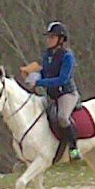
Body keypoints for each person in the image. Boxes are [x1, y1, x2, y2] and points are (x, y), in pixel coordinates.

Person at [29, 21, 81, 160]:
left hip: (66, 93)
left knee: (62, 117)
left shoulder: (67, 57)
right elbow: (46, 73)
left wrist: (39, 82)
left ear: (61, 39)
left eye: (52, 37)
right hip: (51, 94)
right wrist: (34, 75)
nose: (48, 40)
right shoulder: (48, 55)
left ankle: (73, 148)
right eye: (48, 37)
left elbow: (62, 79)